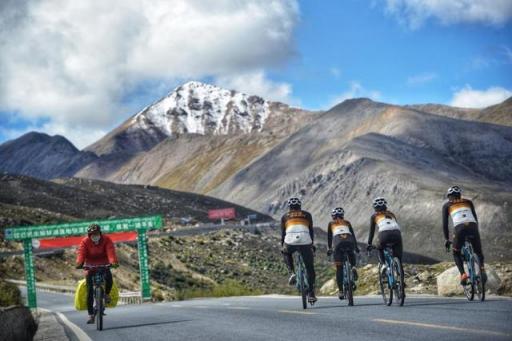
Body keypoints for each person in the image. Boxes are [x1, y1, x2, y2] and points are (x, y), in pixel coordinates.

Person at [442, 185, 486, 285]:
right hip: (473, 226)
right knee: (478, 251)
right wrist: (475, 232)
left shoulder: (447, 205)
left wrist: (446, 239)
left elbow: (445, 224)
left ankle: (463, 274)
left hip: (459, 229)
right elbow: (475, 217)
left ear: (449, 196)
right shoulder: (468, 202)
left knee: (456, 252)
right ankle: (482, 269)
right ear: (460, 195)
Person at [76, 224, 119, 324]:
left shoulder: (106, 240)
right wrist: (79, 263)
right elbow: (81, 253)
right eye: (92, 234)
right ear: (89, 235)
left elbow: (110, 251)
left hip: (104, 264)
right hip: (90, 266)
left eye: (96, 233)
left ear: (100, 233)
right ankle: (91, 315)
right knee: (89, 290)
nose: (95, 235)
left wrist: (113, 262)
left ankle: (106, 294)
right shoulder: (85, 242)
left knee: (109, 279)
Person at [281, 197, 317, 303]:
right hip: (305, 240)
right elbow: (311, 231)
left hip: (290, 241)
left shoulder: (285, 216)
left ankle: (292, 272)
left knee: (286, 253)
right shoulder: (307, 214)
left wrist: (282, 246)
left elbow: (283, 234)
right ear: (300, 206)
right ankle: (311, 293)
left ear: (289, 207)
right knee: (310, 268)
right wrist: (311, 244)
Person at [326, 207, 359, 300]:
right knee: (350, 251)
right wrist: (356, 247)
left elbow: (329, 237)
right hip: (349, 241)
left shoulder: (331, 223)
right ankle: (353, 267)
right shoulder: (347, 222)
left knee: (339, 268)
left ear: (333, 216)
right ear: (342, 215)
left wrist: (329, 248)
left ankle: (340, 291)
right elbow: (353, 235)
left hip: (338, 244)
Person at [366, 197, 403, 281]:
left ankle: (384, 265)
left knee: (379, 247)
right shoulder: (392, 214)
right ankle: (401, 286)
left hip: (384, 234)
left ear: (375, 208)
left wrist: (369, 244)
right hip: (397, 234)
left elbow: (371, 232)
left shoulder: (374, 216)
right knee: (399, 261)